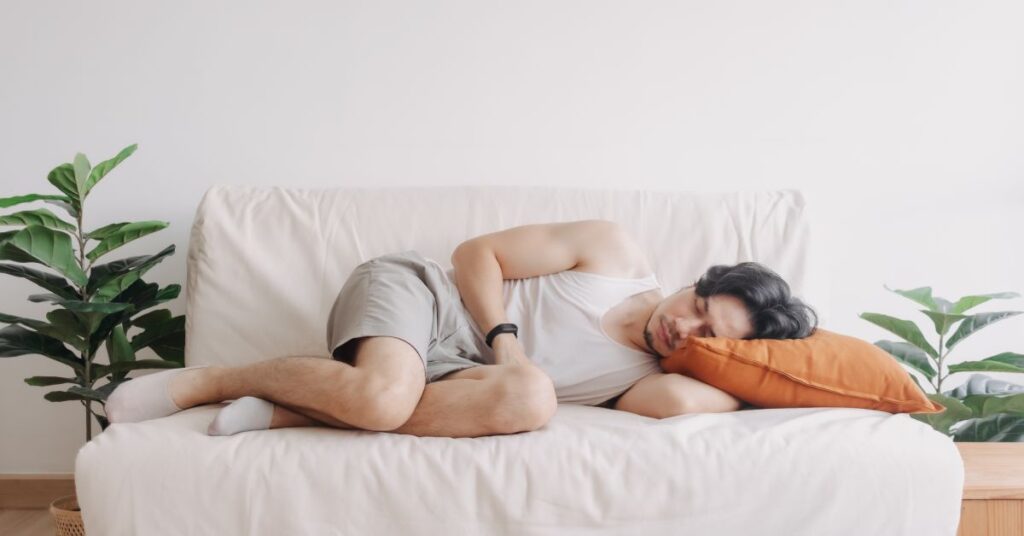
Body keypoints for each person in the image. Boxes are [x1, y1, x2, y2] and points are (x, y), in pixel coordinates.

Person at [106, 220, 817, 438]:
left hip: (460, 381)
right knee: (391, 397)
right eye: (698, 306)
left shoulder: (651, 380)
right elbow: (474, 255)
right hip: (424, 298)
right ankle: (214, 379)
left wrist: (757, 369)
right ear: (700, 281)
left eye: (708, 336)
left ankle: (295, 406)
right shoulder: (614, 253)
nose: (683, 329)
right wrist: (507, 342)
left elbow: (693, 404)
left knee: (532, 402)